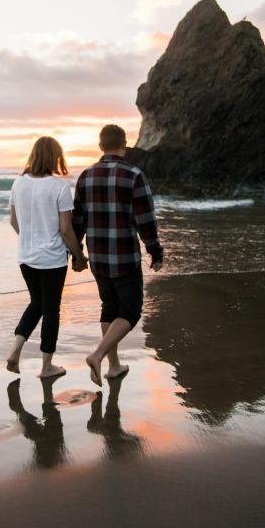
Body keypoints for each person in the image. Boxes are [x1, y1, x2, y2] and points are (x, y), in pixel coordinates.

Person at [72, 124, 163, 387]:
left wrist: (77, 254)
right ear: (124, 144)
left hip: (98, 256)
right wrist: (155, 251)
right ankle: (98, 355)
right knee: (131, 311)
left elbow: (78, 219)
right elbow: (146, 220)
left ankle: (113, 366)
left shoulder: (86, 176)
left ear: (100, 146)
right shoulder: (134, 174)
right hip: (124, 256)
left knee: (109, 307)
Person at [7, 136, 88, 378]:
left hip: (26, 256)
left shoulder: (18, 183)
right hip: (52, 258)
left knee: (37, 303)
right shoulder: (60, 187)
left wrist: (30, 240)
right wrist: (79, 255)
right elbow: (66, 229)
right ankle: (46, 367)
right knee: (51, 308)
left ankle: (15, 352)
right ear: (56, 157)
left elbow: (13, 220)